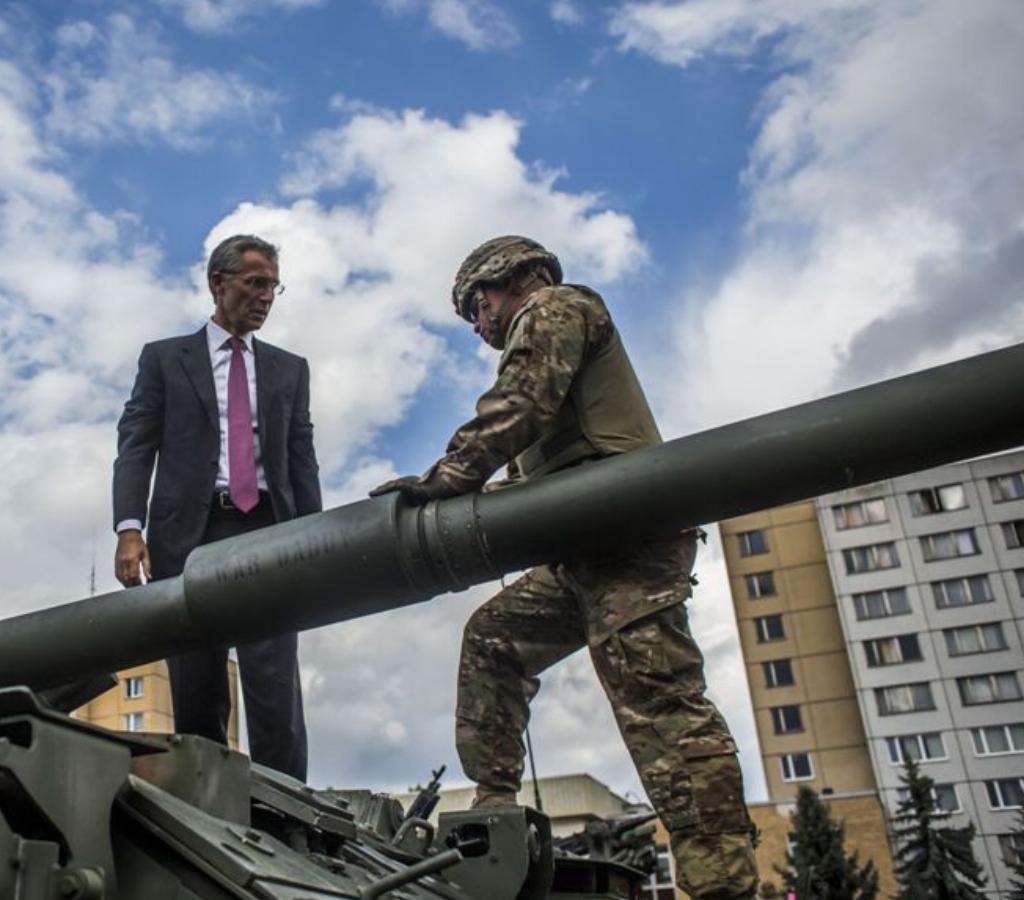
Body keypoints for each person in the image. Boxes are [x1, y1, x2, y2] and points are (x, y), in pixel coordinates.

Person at [371, 236, 757, 900]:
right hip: (583, 555)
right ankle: (493, 810)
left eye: (476, 306)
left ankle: (724, 887)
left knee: (661, 716)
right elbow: (533, 473)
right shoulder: (547, 338)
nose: (476, 324)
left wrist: (447, 478)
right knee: (493, 640)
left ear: (510, 280)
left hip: (628, 545)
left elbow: (519, 404)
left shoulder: (555, 308)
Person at [112, 234, 322, 780]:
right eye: (255, 283)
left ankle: (287, 816)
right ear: (218, 282)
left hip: (268, 532)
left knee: (274, 687)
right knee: (197, 685)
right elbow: (136, 445)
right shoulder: (163, 359)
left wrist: (317, 539)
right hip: (189, 538)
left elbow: (302, 458)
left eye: (274, 286)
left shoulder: (290, 369)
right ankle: (206, 812)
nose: (266, 296)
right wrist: (130, 529)